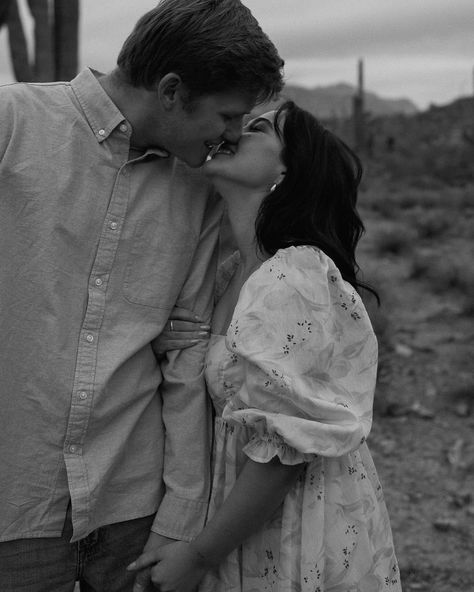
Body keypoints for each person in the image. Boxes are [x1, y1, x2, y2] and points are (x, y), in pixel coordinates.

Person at [0, 1, 284, 590]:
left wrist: (181, 514)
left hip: (133, 507)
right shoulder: (12, 126)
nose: (232, 136)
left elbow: (184, 351)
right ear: (173, 90)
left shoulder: (201, 186)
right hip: (13, 509)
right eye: (229, 116)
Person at [128, 101, 402, 592]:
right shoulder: (235, 272)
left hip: (289, 520)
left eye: (257, 128)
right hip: (244, 519)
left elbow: (281, 454)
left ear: (285, 171)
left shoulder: (293, 275)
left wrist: (198, 555)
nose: (231, 131)